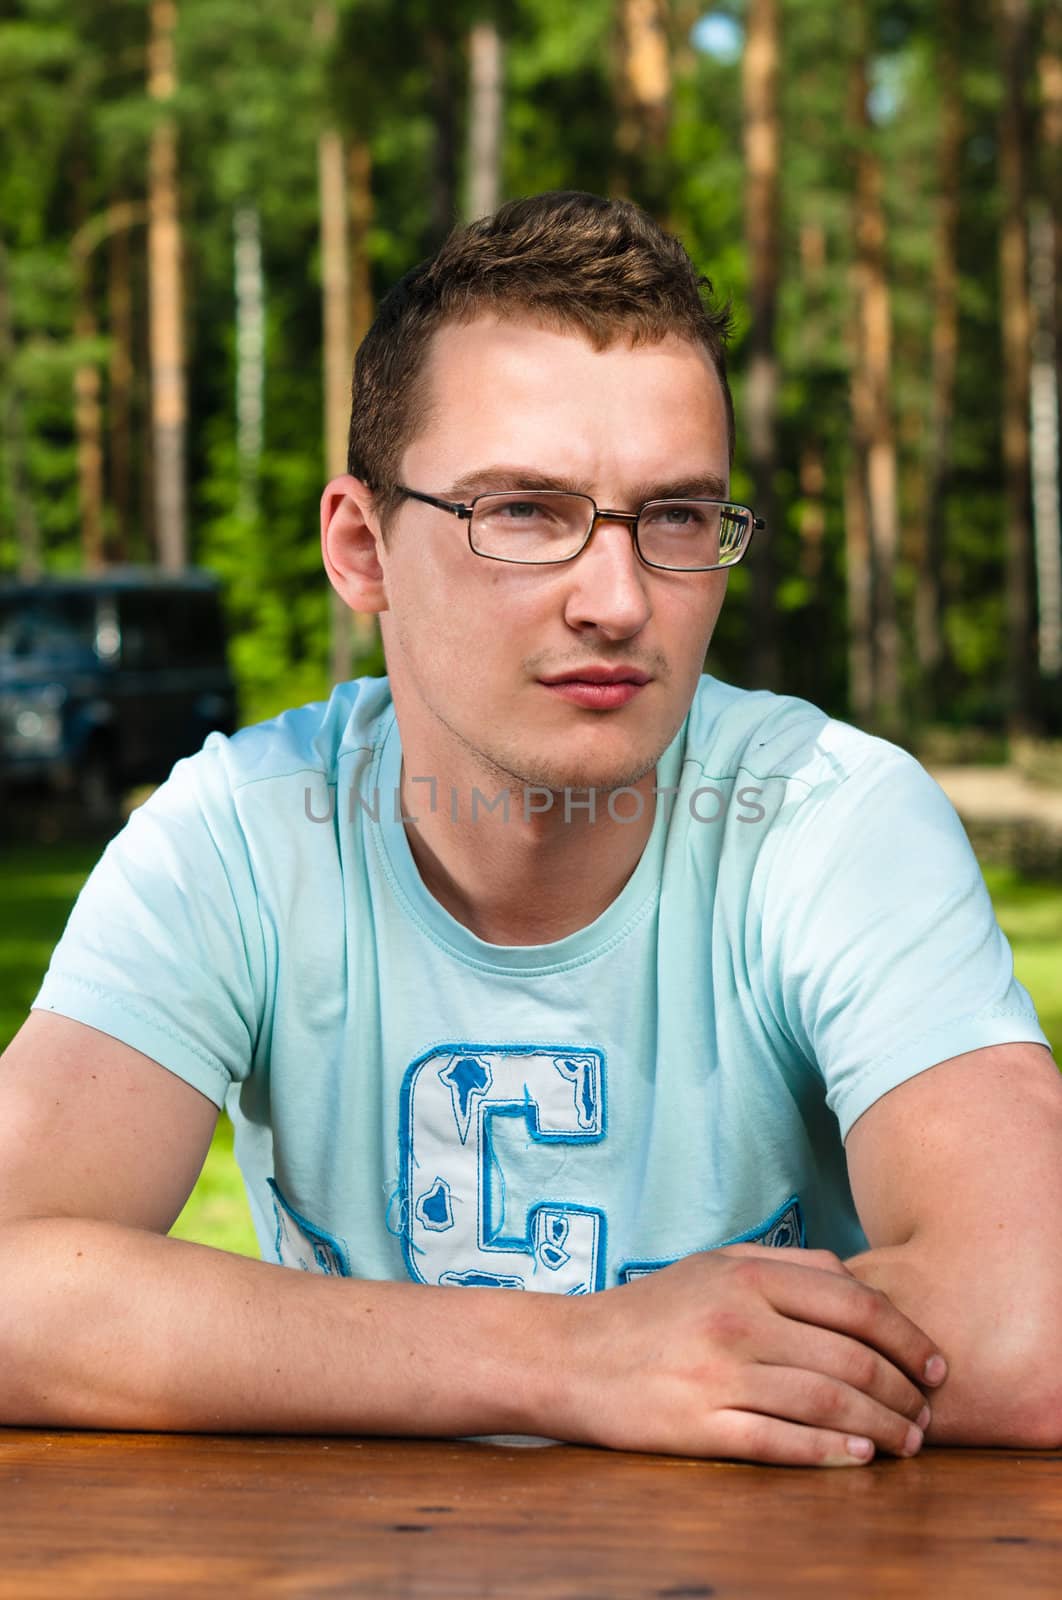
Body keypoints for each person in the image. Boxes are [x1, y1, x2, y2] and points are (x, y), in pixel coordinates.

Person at [2, 191, 1060, 1467]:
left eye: (675, 517)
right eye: (524, 512)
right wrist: (569, 1358)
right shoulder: (243, 832)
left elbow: (1032, 1319)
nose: (618, 600)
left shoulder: (829, 817)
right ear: (362, 549)